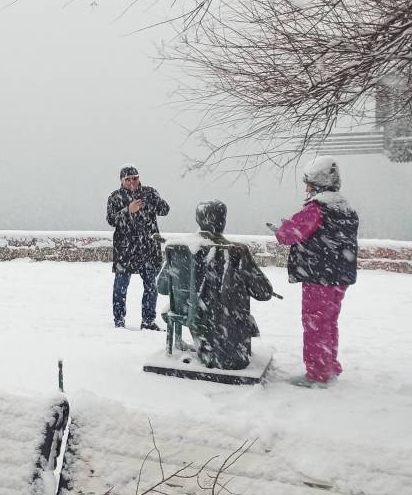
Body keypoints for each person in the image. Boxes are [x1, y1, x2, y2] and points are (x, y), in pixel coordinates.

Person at [270, 156, 359, 388]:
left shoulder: (317, 208)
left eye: (309, 184)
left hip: (319, 275)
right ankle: (330, 365)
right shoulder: (345, 207)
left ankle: (318, 374)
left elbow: (290, 235)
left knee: (314, 322)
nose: (307, 189)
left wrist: (282, 228)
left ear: (318, 184)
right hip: (339, 276)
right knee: (329, 321)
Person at [158, 200, 274, 369]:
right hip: (226, 324)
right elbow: (264, 292)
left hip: (189, 313)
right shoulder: (236, 251)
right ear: (223, 221)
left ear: (198, 220)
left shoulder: (177, 249)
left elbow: (162, 287)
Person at [107, 165, 170, 330]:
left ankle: (148, 321)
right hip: (125, 248)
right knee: (120, 287)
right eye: (128, 179)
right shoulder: (115, 197)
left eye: (134, 178)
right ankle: (119, 321)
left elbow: (165, 210)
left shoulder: (149, 192)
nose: (132, 182)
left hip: (148, 247)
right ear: (122, 181)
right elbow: (112, 220)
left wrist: (151, 201)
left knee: (151, 286)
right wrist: (128, 210)